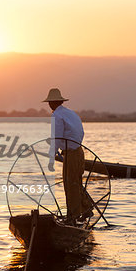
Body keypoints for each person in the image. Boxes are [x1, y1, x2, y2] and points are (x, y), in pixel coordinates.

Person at [44, 88, 93, 224]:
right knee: (76, 182)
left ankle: (73, 216)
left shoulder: (56, 116)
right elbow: (80, 133)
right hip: (78, 151)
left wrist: (52, 155)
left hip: (72, 154)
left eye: (50, 102)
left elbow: (57, 137)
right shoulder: (70, 113)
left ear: (53, 103)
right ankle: (86, 209)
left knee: (70, 184)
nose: (49, 105)